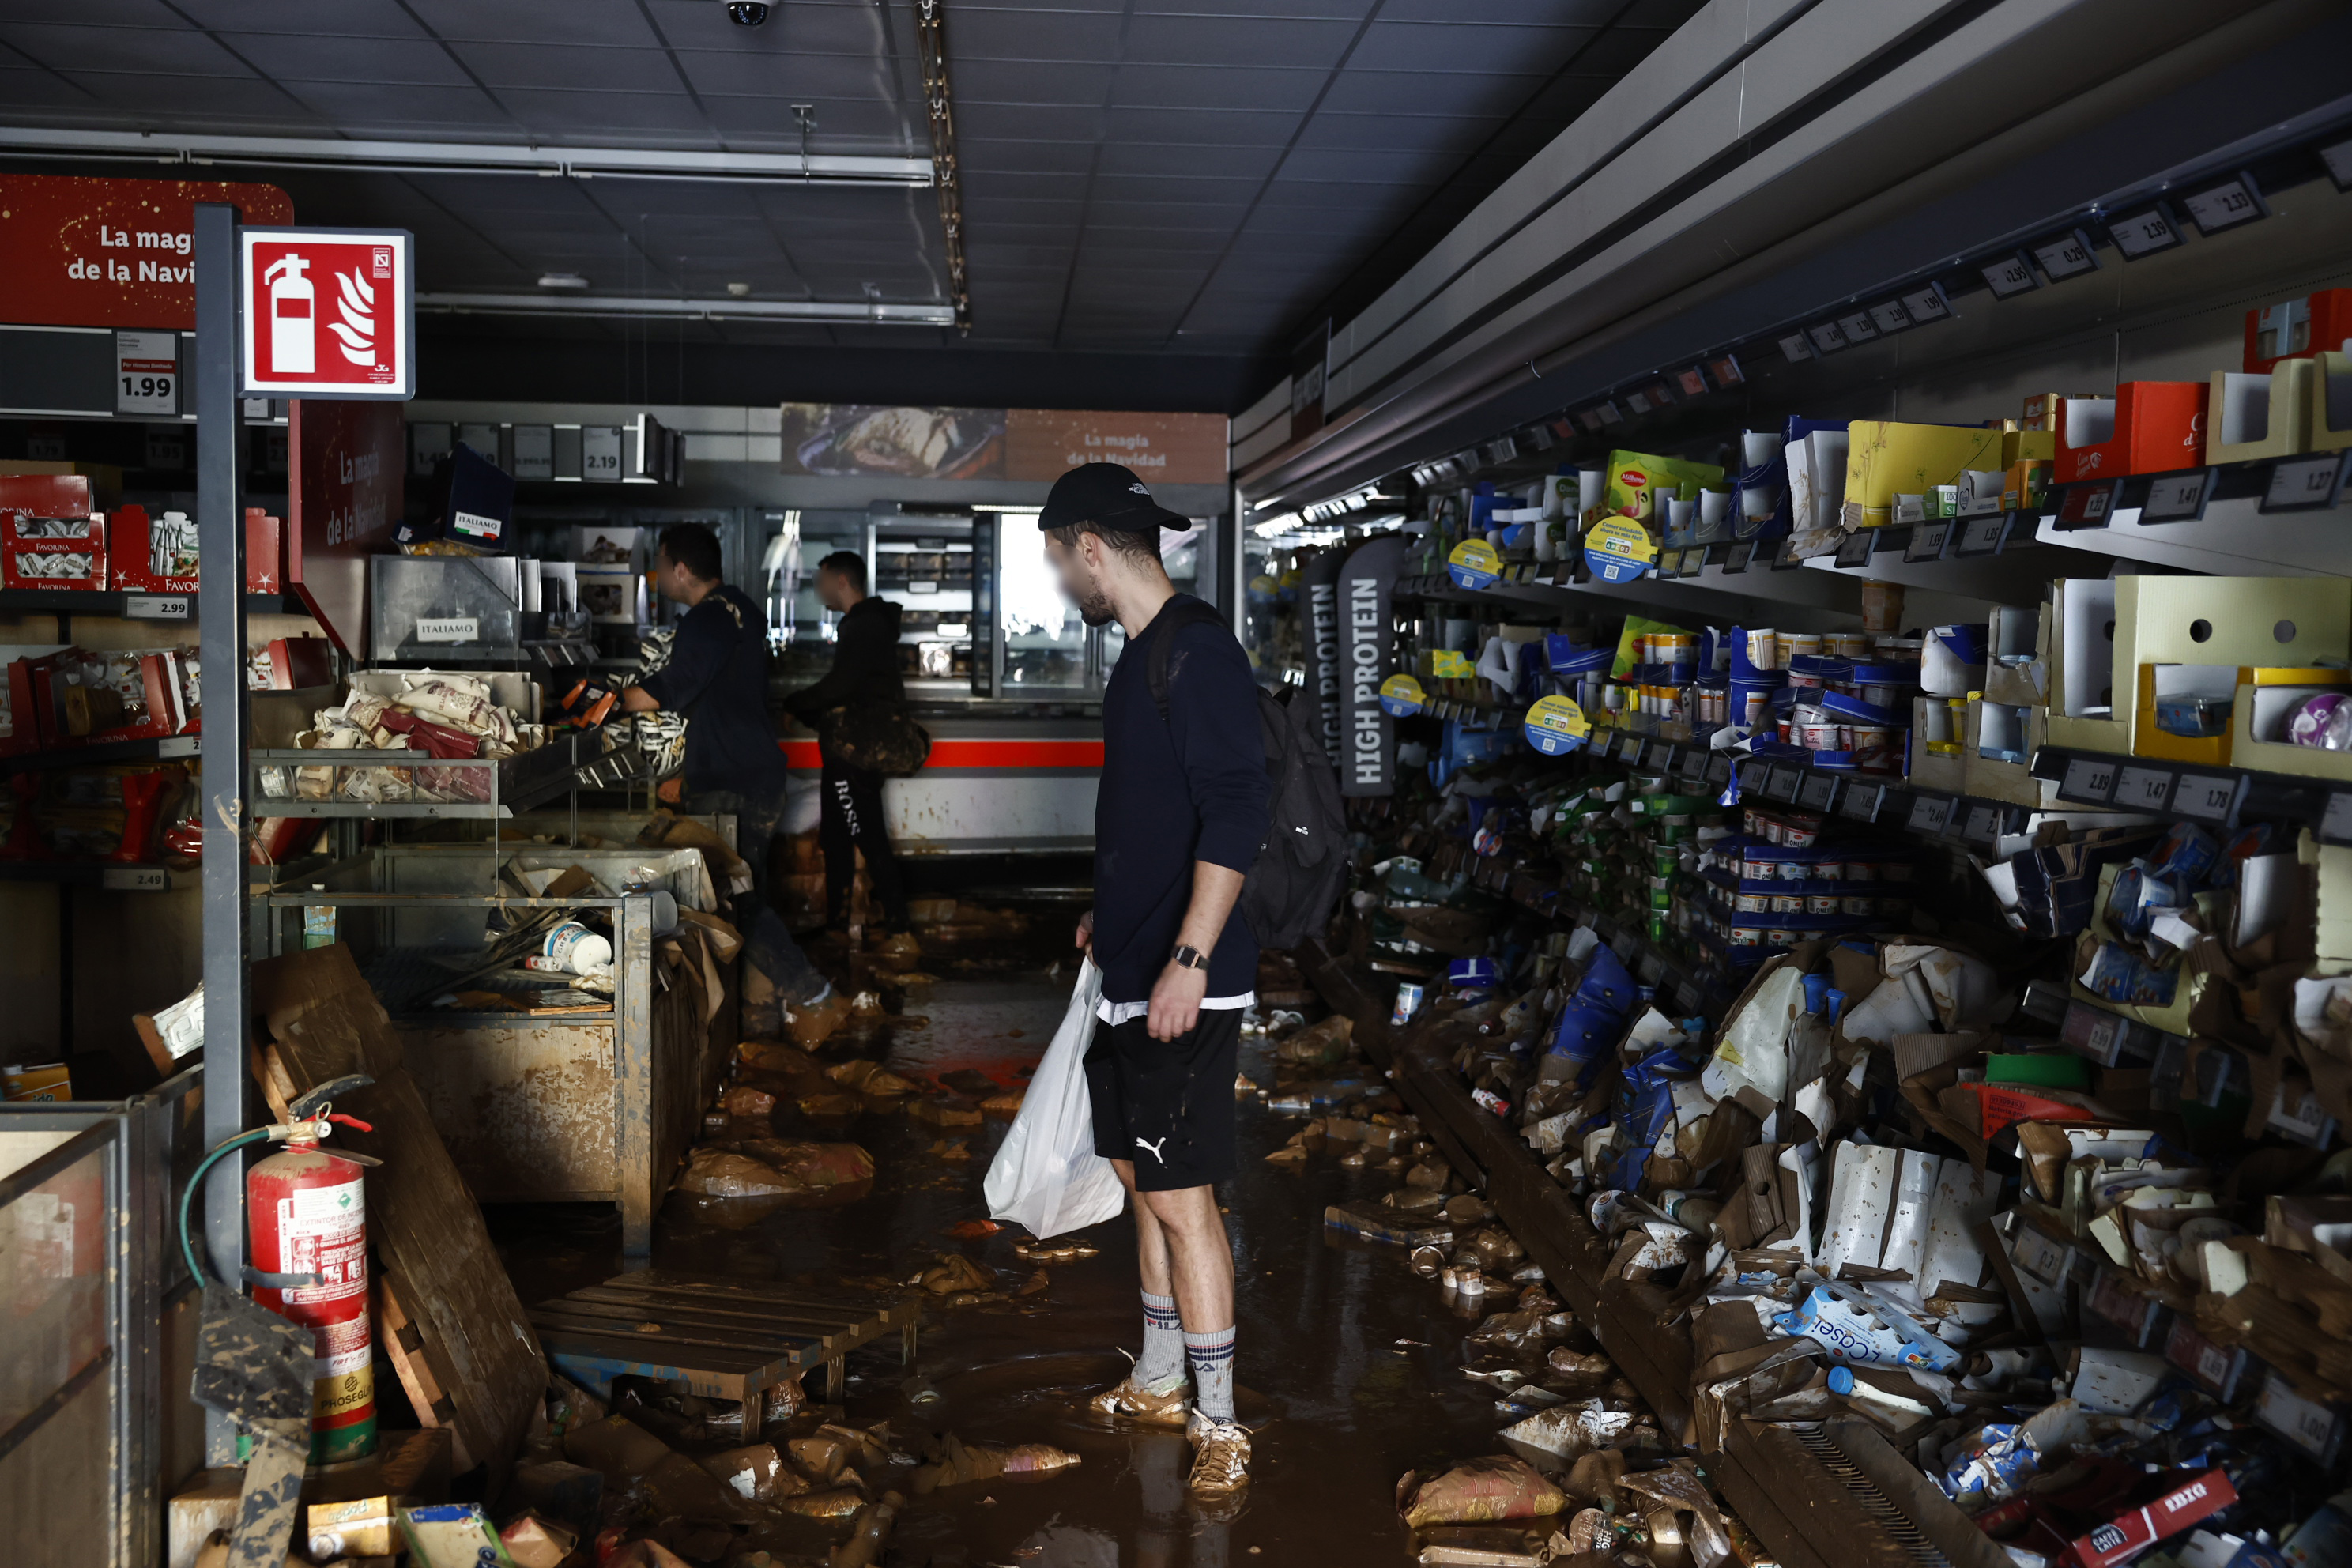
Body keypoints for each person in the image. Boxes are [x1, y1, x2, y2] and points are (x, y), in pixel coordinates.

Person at [1042, 462, 1268, 1498]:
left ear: (1091, 547)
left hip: (1187, 978)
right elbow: (1156, 820)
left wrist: (1187, 956)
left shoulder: (1199, 653)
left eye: (1058, 560)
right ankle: (1162, 1379)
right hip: (1135, 963)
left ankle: (1221, 1423)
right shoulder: (1139, 660)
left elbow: (1235, 816)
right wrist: (1118, 912)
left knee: (1183, 1199)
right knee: (1143, 1184)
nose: (1059, 581)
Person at [621, 523, 825, 1006]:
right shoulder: (736, 610)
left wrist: (609, 702)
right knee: (747, 889)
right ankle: (764, 1002)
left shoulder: (707, 619)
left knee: (739, 896)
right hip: (751, 772)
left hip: (733, 779)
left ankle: (811, 993)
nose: (656, 576)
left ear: (682, 570)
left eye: (661, 566)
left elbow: (675, 685)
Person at [781, 550, 911, 933]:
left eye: (821, 581)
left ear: (841, 581)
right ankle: (837, 923)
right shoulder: (866, 623)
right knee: (836, 835)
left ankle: (899, 926)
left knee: (866, 836)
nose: (817, 589)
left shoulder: (864, 625)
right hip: (849, 750)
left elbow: (841, 686)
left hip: (854, 754)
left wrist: (794, 704)